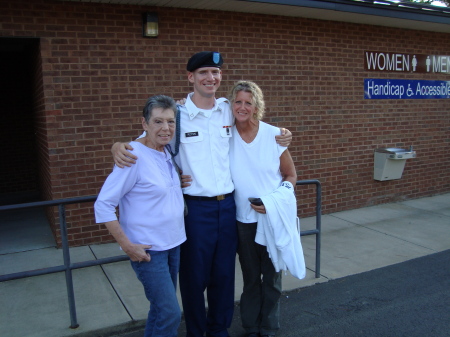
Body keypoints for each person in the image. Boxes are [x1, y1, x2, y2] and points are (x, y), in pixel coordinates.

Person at [111, 51, 292, 337]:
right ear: (190, 77)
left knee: (223, 276)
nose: (211, 78)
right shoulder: (178, 115)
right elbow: (150, 138)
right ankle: (196, 332)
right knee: (194, 280)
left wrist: (282, 134)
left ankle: (218, 331)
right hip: (195, 210)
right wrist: (120, 145)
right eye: (204, 73)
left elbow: (253, 120)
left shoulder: (227, 110)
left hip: (228, 207)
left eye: (216, 73)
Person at [94, 95, 186, 337]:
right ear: (144, 124)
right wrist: (127, 245)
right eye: (158, 122)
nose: (165, 128)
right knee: (170, 312)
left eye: (171, 121)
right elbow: (103, 204)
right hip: (147, 250)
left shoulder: (166, 151)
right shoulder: (132, 155)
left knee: (159, 309)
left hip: (173, 244)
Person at [229, 80, 303, 337]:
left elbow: (290, 175)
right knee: (250, 278)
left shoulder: (274, 135)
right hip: (243, 222)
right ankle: (250, 326)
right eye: (238, 101)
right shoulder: (224, 134)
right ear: (231, 104)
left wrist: (273, 202)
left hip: (272, 220)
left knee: (272, 278)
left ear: (256, 107)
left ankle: (269, 326)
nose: (242, 107)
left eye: (248, 102)